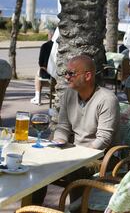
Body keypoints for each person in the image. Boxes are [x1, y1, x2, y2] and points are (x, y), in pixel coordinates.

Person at [33, 55, 120, 205]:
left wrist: (76, 156)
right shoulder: (69, 94)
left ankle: (78, 209)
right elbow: (63, 126)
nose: (67, 77)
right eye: (66, 73)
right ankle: (31, 208)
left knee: (73, 170)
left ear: (88, 76)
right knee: (38, 165)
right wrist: (59, 141)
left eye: (71, 73)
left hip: (99, 158)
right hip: (75, 151)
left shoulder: (107, 99)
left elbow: (103, 139)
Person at [30, 30, 54, 105]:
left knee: (38, 75)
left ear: (50, 35)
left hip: (47, 75)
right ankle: (53, 93)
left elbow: (41, 63)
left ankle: (37, 98)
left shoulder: (45, 46)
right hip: (59, 76)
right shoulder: (62, 46)